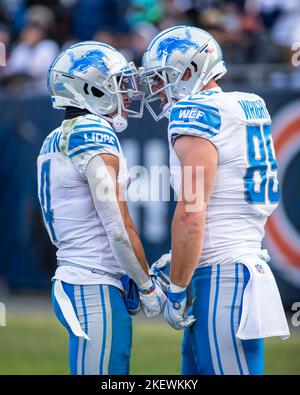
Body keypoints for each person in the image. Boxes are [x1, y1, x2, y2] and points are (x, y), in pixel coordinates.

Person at [140, 25, 290, 375]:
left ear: (190, 71)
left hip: (221, 276)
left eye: (162, 78)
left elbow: (192, 212)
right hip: (236, 265)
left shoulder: (196, 113)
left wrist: (177, 288)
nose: (157, 89)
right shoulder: (247, 105)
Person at [37, 41, 166, 375]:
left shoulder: (57, 136)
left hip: (80, 275)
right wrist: (148, 286)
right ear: (91, 89)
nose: (126, 93)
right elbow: (118, 229)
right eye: (117, 84)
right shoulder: (91, 132)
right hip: (92, 283)